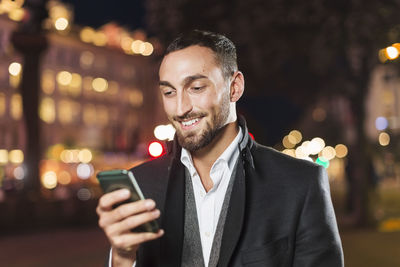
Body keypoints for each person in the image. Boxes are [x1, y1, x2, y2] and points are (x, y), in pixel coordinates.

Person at [96, 30, 344, 267]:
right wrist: (122, 258)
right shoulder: (141, 187)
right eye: (169, 92)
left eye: (196, 88)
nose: (180, 108)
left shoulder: (300, 183)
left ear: (234, 87)